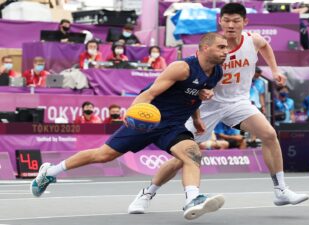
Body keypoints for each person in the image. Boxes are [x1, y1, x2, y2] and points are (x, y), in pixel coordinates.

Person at [128, 3, 309, 215]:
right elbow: (194, 74)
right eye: (227, 20)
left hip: (238, 103)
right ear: (220, 21)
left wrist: (275, 70)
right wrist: (201, 92)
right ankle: (147, 194)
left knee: (269, 134)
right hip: (206, 107)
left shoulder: (253, 40)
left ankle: (280, 190)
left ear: (245, 22)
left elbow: (265, 47)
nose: (231, 25)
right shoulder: (212, 46)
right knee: (183, 157)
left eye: (236, 21)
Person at [30, 32, 228, 220]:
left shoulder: (216, 72)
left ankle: (192, 199)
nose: (225, 51)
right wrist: (133, 112)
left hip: (173, 126)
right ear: (204, 48)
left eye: (226, 47)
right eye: (221, 47)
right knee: (103, 155)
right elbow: (148, 94)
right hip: (148, 119)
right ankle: (50, 172)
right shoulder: (182, 68)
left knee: (192, 153)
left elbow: (194, 94)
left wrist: (196, 118)